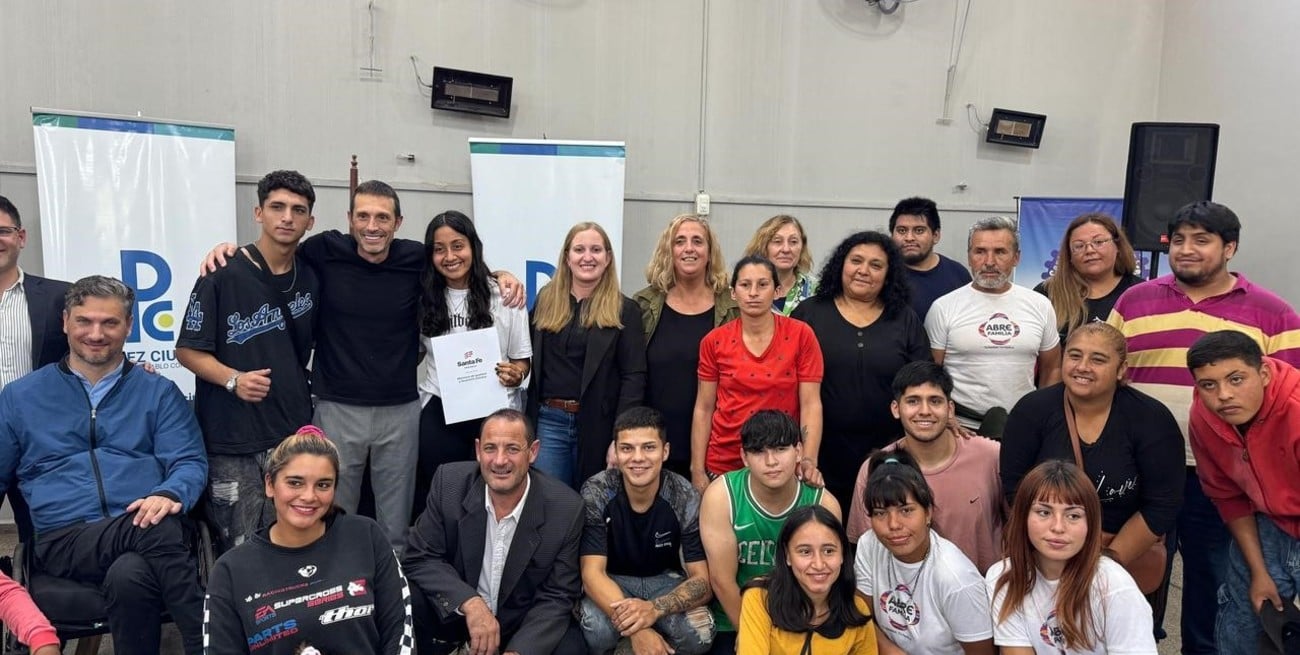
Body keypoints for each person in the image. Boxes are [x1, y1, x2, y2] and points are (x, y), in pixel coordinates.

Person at [202, 181, 528, 551]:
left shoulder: (415, 259)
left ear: (398, 222)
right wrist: (230, 251)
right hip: (336, 408)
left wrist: (500, 275)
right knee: (331, 517)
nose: (372, 226)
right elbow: (275, 252)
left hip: (401, 412)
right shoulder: (324, 250)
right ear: (350, 219)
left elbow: (457, 264)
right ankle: (333, 582)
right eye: (363, 216)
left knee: (396, 526)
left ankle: (392, 585)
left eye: (382, 218)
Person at [1108, 200, 1300, 653]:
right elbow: (1109, 371)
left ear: (1229, 247)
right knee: (1131, 576)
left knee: (1213, 586)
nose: (1187, 249)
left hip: (1222, 479)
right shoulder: (1134, 301)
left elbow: (1285, 403)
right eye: (1178, 240)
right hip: (1141, 470)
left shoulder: (1274, 313)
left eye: (1202, 240)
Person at [0, 275, 208, 655]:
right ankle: (209, 643)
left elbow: (189, 460)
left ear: (129, 325)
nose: (96, 334)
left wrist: (169, 493)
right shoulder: (19, 397)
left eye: (109, 323)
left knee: (129, 573)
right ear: (66, 322)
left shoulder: (158, 391)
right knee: (156, 531)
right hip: (65, 538)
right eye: (85, 321)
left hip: (143, 527)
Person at [177, 170, 320, 555]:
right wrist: (232, 379)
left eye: (298, 210)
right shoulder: (221, 273)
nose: (287, 217)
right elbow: (187, 350)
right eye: (277, 207)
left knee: (292, 538)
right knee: (237, 545)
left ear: (310, 221)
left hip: (291, 432)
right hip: (232, 438)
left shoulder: (312, 275)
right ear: (259, 213)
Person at [1001, 323, 1184, 593]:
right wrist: (1052, 549)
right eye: (1074, 356)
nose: (1083, 366)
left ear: (1121, 369)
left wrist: (1105, 566)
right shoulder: (1032, 411)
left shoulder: (1152, 420)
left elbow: (1163, 503)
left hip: (1122, 557)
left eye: (1098, 359)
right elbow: (1015, 488)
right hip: (1046, 552)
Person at [202, 427, 413, 654]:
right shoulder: (230, 570)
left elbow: (400, 630)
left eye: (323, 485)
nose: (309, 496)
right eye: (295, 483)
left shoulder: (366, 536)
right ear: (270, 484)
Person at [403, 408, 587, 655]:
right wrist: (471, 604)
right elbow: (419, 556)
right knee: (405, 597)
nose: (500, 461)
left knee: (571, 647)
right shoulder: (450, 483)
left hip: (521, 623)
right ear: (478, 450)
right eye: (490, 448)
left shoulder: (566, 508)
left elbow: (558, 594)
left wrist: (519, 651)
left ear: (533, 452)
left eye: (512, 449)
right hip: (460, 614)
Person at [792, 231, 929, 509]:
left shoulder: (904, 319)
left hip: (888, 454)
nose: (864, 270)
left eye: (876, 265)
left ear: (888, 275)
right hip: (818, 454)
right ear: (841, 264)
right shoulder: (809, 313)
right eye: (856, 261)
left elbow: (923, 380)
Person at [1185, 331, 1300, 655]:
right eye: (1208, 384)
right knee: (1244, 618)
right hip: (1269, 523)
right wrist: (1259, 572)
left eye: (1236, 379)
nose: (1223, 395)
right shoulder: (1204, 417)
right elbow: (1227, 496)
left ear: (1263, 374)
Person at [414, 210, 531, 520]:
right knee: (441, 496)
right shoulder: (422, 297)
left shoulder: (504, 295)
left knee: (493, 497)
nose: (450, 256)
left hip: (495, 411)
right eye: (439, 249)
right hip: (440, 409)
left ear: (473, 247)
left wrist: (517, 373)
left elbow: (522, 359)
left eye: (458, 245)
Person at [699, 410, 841, 654]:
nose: (771, 461)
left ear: (798, 451)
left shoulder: (823, 503)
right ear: (744, 457)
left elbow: (827, 577)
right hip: (735, 615)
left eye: (780, 449)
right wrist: (750, 634)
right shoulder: (722, 496)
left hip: (801, 616)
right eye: (758, 452)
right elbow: (722, 581)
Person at [578, 407, 715, 655]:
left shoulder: (683, 494)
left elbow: (702, 581)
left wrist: (653, 609)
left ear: (665, 451)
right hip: (614, 581)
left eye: (649, 447)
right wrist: (638, 629)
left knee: (700, 634)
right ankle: (636, 643)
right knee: (597, 630)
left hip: (665, 581)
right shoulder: (597, 490)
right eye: (627, 448)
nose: (638, 458)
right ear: (616, 452)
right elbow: (592, 574)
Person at [846, 361, 1003, 575]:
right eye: (913, 401)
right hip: (903, 591)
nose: (925, 411)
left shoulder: (991, 456)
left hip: (983, 588)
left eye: (935, 401)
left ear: (950, 409)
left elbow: (1019, 527)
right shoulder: (875, 468)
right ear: (896, 409)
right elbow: (868, 550)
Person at [987, 460, 1157, 654]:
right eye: (1044, 512)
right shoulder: (1003, 577)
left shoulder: (1114, 587)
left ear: (1091, 523)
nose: (1058, 527)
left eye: (1073, 516)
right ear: (1023, 516)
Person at [528, 221, 646, 488]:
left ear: (608, 258)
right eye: (579, 249)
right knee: (551, 503)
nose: (587, 257)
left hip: (599, 426)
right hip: (550, 423)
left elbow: (634, 377)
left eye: (596, 249)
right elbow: (523, 353)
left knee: (594, 504)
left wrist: (621, 437)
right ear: (567, 257)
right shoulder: (546, 301)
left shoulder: (625, 310)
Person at [691, 256, 824, 493]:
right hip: (725, 462)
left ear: (777, 291)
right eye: (745, 285)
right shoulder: (714, 341)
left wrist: (808, 460)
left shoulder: (801, 335)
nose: (753, 293)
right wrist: (697, 469)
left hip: (781, 462)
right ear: (733, 293)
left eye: (763, 284)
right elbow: (704, 407)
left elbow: (810, 403)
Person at [925, 216, 1061, 434]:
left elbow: (1052, 367)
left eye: (1000, 252)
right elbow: (930, 371)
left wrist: (1043, 416)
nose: (989, 261)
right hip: (960, 428)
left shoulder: (1040, 305)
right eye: (980, 251)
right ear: (969, 256)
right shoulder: (943, 307)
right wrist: (946, 417)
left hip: (1024, 425)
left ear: (1016, 257)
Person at [854, 451, 993, 654]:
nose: (893, 524)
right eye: (880, 513)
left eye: (906, 510)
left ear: (928, 512)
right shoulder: (870, 544)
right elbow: (861, 616)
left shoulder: (956, 578)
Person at [634, 213, 739, 478]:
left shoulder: (734, 308)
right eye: (680, 241)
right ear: (669, 251)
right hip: (652, 446)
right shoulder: (643, 305)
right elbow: (630, 376)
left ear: (710, 252)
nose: (689, 248)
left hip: (716, 446)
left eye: (697, 241)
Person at [738, 505, 877, 655]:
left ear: (842, 554)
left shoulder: (856, 609)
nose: (818, 564)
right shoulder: (759, 597)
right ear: (787, 555)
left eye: (828, 551)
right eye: (805, 552)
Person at [1034, 213, 1142, 344]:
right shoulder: (1046, 293)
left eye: (1098, 242)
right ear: (1069, 255)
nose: (1089, 250)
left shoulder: (1141, 292)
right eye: (1079, 246)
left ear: (1118, 246)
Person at [0, 194, 69, 390]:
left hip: (46, 409)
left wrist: (132, 372)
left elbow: (92, 353)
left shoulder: (61, 296)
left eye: (3, 231)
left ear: (21, 237)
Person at [888, 197, 970, 321]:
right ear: (892, 236)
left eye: (919, 230)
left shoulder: (958, 274)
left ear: (935, 235)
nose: (909, 238)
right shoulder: (883, 274)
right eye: (902, 230)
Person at [742, 215, 816, 315]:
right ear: (763, 246)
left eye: (793, 242)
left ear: (802, 247)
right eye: (777, 241)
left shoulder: (816, 291)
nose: (786, 249)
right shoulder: (743, 289)